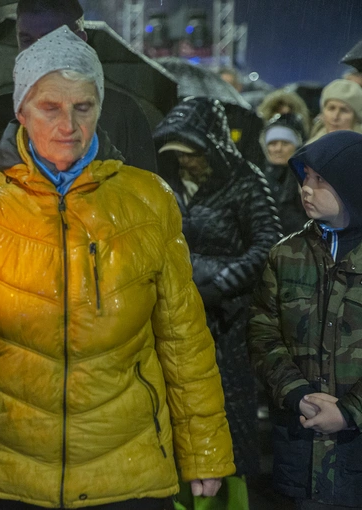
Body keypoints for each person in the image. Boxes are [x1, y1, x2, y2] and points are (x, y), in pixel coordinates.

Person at [0, 26, 235, 509]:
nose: (69, 126)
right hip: (9, 469)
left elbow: (184, 338)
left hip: (128, 470)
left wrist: (205, 452)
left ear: (100, 107)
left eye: (84, 107)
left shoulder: (147, 200)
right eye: (50, 108)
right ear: (20, 111)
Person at [248, 130, 362, 509]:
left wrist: (349, 412)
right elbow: (263, 332)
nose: (306, 189)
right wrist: (297, 394)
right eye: (305, 178)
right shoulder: (286, 255)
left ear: (350, 184)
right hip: (301, 452)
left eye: (320, 180)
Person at [153, 97, 281, 510]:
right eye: (178, 155)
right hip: (177, 313)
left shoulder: (246, 180)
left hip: (228, 321)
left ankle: (229, 500)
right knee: (181, 413)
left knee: (229, 414)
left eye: (193, 153)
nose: (186, 162)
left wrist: (221, 283)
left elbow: (266, 244)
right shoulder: (163, 184)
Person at [0, 0, 160, 185]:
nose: (37, 51)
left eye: (50, 39)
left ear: (80, 40)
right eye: (27, 40)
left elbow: (147, 205)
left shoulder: (124, 114)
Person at [260, 113, 309, 235]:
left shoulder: (307, 177)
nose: (278, 149)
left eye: (285, 143)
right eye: (272, 143)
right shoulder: (259, 178)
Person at [308, 79, 362, 143]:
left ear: (357, 118)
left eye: (344, 110)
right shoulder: (312, 144)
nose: (335, 117)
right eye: (331, 108)